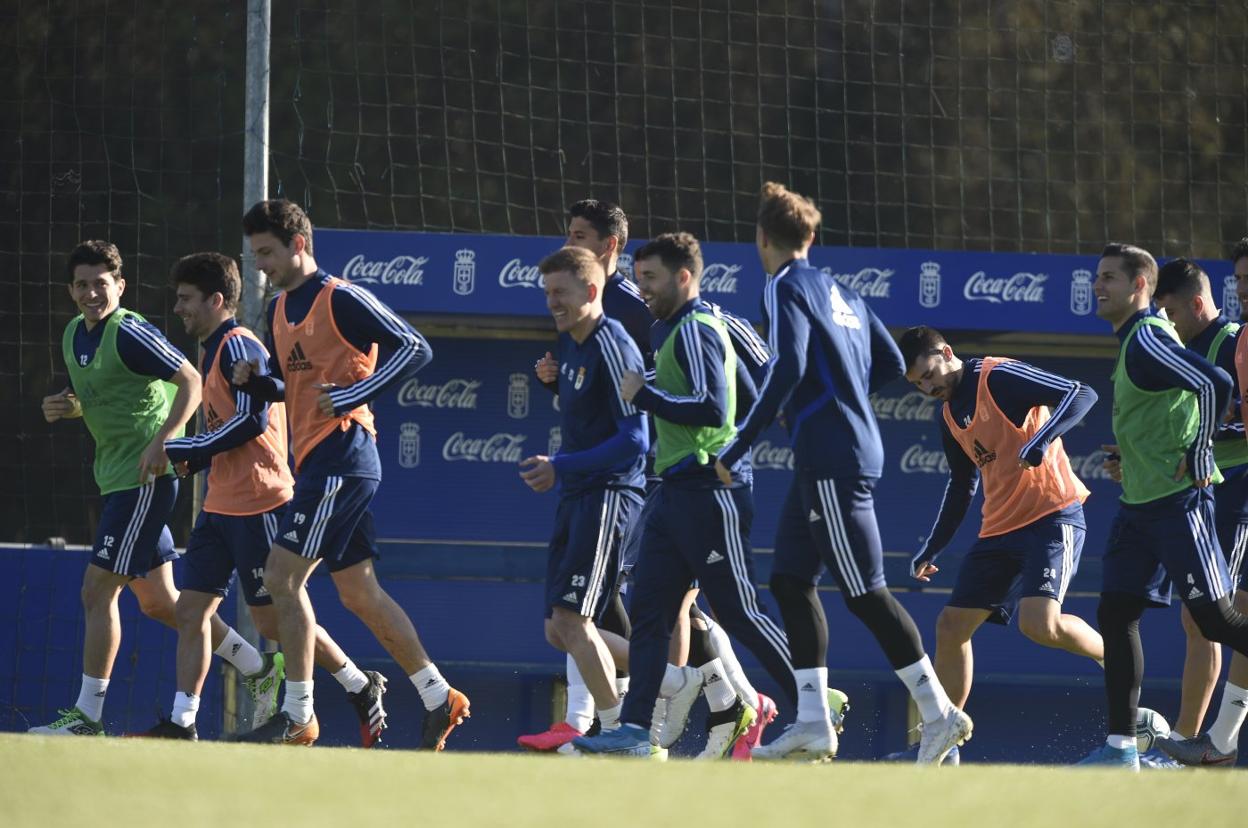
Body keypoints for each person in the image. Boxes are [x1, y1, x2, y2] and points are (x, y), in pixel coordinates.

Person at [713, 182, 972, 764]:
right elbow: (888, 361)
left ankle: (939, 714)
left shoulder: (784, 286)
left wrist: (743, 443)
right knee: (788, 580)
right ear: (809, 235)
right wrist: (839, 403)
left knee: (865, 592)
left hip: (834, 456)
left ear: (762, 238)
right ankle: (811, 720)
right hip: (828, 454)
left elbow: (787, 368)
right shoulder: (842, 290)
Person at [231, 199, 469, 748]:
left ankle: (298, 713)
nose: (260, 264)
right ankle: (439, 696)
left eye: (267, 252)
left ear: (298, 244)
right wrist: (256, 381)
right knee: (359, 592)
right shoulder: (276, 310)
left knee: (281, 578)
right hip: (318, 460)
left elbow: (416, 347)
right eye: (255, 254)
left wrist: (357, 394)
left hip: (345, 455)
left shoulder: (340, 297)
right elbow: (293, 388)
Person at [129, 252, 387, 745]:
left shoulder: (238, 345)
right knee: (191, 611)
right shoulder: (211, 350)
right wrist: (197, 457)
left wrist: (184, 447)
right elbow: (222, 428)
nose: (179, 308)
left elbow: (251, 420)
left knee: (274, 618)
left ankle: (358, 684)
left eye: (186, 299)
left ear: (216, 300)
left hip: (260, 502)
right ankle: (182, 723)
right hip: (218, 506)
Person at [32, 241, 280, 736]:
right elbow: (104, 395)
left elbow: (189, 379)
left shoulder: (130, 330)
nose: (90, 293)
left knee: (96, 590)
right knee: (160, 603)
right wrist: (67, 406)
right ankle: (259, 668)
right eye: (82, 284)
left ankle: (87, 718)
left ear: (119, 287)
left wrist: (166, 442)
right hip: (117, 478)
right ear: (70, 290)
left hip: (144, 481)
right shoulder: (73, 336)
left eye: (101, 283)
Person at [572, 232, 793, 758]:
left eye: (650, 278)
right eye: (639, 276)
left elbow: (711, 407)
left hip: (707, 490)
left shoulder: (696, 328)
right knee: (649, 615)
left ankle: (813, 697)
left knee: (738, 611)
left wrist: (643, 394)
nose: (641, 287)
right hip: (673, 490)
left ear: (684, 278)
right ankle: (634, 731)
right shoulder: (668, 330)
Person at [1078, 242, 1248, 769]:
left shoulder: (1149, 337)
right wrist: (1130, 458)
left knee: (1216, 621)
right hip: (1139, 507)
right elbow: (1169, 416)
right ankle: (1121, 749)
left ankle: (1200, 741)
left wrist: (1199, 454)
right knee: (1116, 613)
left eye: (1109, 276)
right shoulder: (1135, 338)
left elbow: (1213, 383)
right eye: (1096, 276)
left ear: (1140, 287)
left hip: (1179, 506)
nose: (1098, 285)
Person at [897, 326, 1104, 734]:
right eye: (917, 383)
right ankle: (944, 734)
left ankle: (1117, 657)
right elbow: (961, 486)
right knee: (951, 626)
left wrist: (1041, 441)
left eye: (928, 374)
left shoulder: (997, 375)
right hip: (999, 530)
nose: (927, 386)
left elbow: (1081, 393)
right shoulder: (947, 415)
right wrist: (932, 547)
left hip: (1052, 516)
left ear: (947, 352)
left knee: (1039, 625)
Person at [521, 200, 646, 749]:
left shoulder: (614, 341)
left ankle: (624, 732)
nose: (553, 304)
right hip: (577, 494)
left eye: (562, 294)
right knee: (559, 630)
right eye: (548, 295)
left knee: (573, 623)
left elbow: (635, 440)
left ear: (591, 292)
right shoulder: (570, 348)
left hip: (610, 496)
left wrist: (562, 465)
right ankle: (680, 676)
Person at [1149, 258, 1248, 767]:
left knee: (1209, 615)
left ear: (1195, 302)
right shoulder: (1177, 349)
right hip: (1207, 492)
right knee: (1204, 617)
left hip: (1238, 487)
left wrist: (1201, 442)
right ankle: (1202, 743)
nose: (1165, 323)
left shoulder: (1233, 342)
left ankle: (1193, 743)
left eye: (1168, 311)